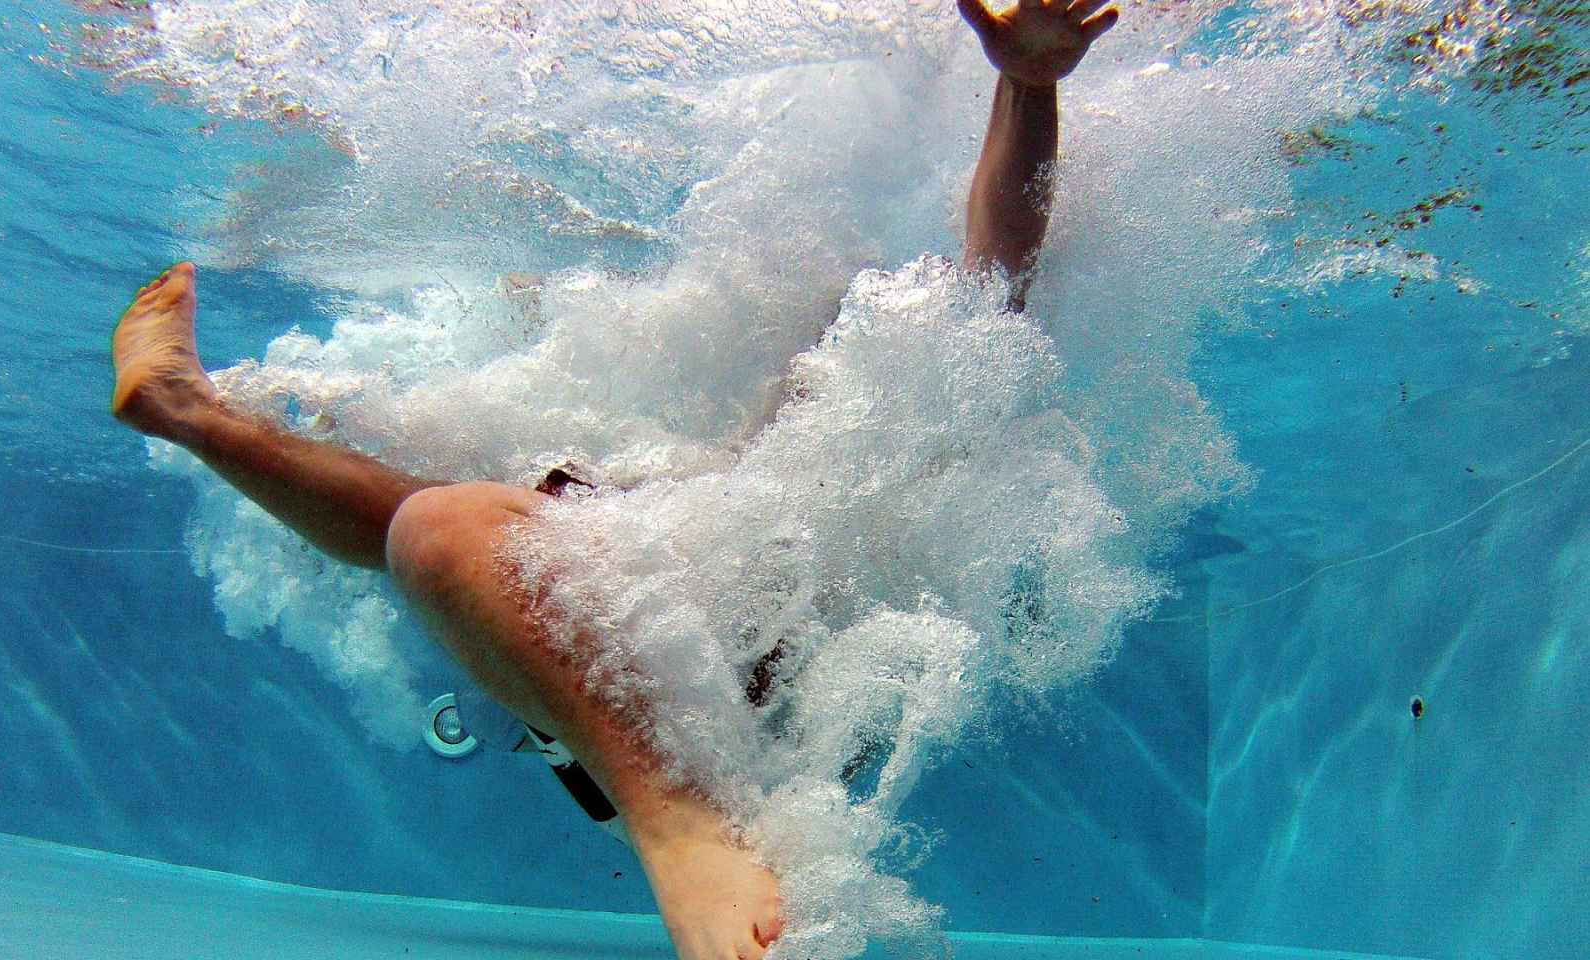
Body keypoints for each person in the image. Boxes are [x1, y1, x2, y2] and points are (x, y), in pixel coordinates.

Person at [107, 4, 1117, 958]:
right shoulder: (735, 485)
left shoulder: (907, 443)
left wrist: (1028, 91)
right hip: (648, 681)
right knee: (424, 526)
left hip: (706, 713)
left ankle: (677, 818)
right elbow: (990, 280)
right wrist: (1023, 87)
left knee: (431, 531)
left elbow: (997, 268)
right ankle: (189, 414)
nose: (812, 363)